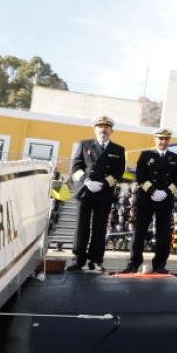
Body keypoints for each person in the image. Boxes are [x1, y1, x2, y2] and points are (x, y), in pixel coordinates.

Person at [122, 128, 177, 275]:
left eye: (166, 139)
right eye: (160, 139)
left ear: (169, 141)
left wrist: (166, 192)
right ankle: (134, 263)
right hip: (146, 199)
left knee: (163, 234)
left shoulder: (176, 158)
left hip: (165, 200)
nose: (163, 141)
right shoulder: (146, 155)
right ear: (155, 139)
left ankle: (160, 264)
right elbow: (140, 176)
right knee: (139, 233)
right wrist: (153, 191)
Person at [67, 115, 126, 272]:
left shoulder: (118, 150)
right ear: (95, 130)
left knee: (100, 228)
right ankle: (77, 260)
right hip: (85, 192)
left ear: (112, 131)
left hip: (104, 192)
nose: (103, 129)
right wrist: (86, 181)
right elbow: (75, 167)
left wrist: (104, 184)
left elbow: (119, 172)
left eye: (106, 127)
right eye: (100, 127)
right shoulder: (84, 144)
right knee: (81, 227)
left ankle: (96, 260)